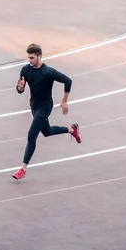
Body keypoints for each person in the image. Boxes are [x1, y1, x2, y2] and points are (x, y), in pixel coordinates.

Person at [12, 43, 81, 180]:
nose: (29, 60)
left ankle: (22, 169)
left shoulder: (48, 72)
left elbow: (68, 81)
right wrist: (19, 88)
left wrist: (64, 101)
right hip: (34, 106)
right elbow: (21, 89)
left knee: (32, 135)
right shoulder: (25, 70)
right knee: (47, 132)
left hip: (45, 107)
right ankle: (72, 129)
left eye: (32, 58)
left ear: (39, 56)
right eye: (28, 58)